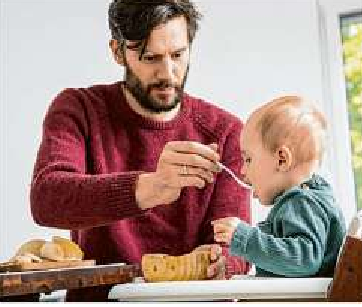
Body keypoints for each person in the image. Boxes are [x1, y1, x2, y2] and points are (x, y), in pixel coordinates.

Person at [30, 0, 251, 301]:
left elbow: (238, 247)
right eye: (150, 58)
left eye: (178, 55)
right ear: (118, 51)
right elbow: (47, 199)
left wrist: (222, 261)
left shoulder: (225, 131)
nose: (168, 73)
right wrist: (152, 187)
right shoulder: (78, 110)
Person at [212, 95, 346, 277]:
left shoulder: (303, 202)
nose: (243, 170)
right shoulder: (309, 201)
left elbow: (303, 260)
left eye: (248, 159)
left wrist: (245, 237)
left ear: (282, 159)